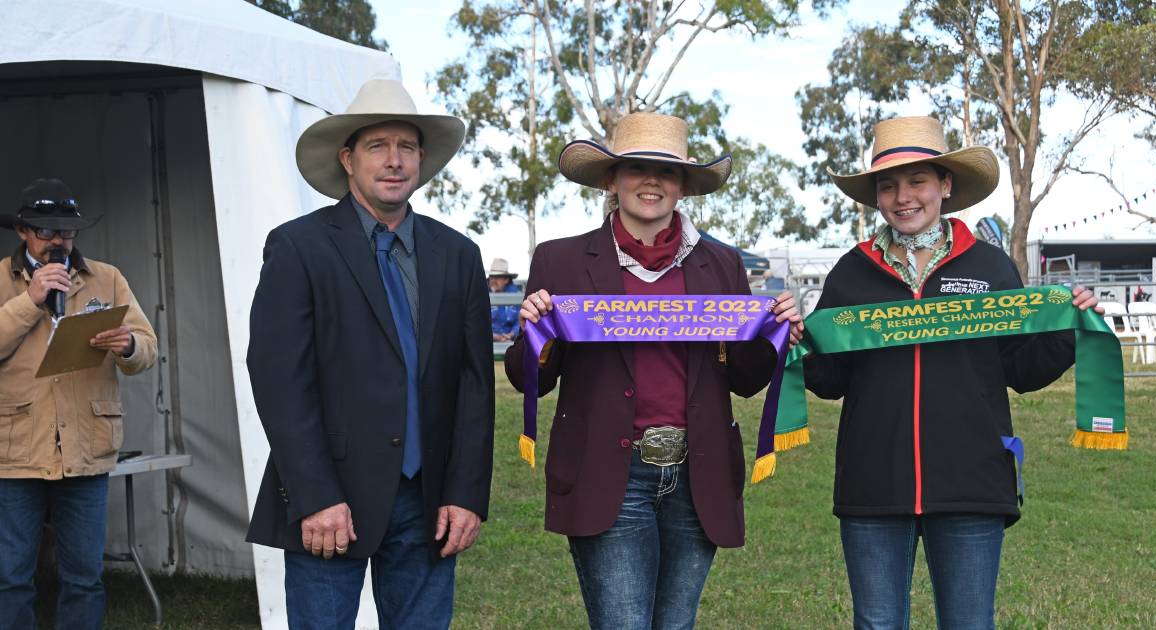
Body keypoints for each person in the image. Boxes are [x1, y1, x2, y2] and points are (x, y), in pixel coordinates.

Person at [504, 112, 802, 629]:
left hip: (697, 474)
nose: (651, 182)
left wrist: (774, 334)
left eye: (665, 172)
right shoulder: (563, 260)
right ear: (612, 180)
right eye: (636, 168)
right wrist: (537, 335)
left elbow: (746, 380)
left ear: (683, 185)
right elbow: (529, 377)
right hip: (609, 472)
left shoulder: (722, 264)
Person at [802, 116, 1103, 629]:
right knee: (876, 623)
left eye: (917, 181)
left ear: (945, 185)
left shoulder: (990, 267)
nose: (903, 197)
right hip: (873, 485)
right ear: (876, 195)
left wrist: (1067, 329)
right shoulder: (851, 272)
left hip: (972, 482)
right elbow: (830, 380)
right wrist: (801, 343)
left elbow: (1021, 369)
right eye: (889, 185)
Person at [245, 79, 494, 630]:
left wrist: (466, 493)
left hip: (428, 501)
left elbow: (475, 385)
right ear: (348, 158)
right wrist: (314, 496)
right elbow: (278, 379)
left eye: (406, 146)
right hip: (332, 499)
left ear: (421, 160)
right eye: (378, 146)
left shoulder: (457, 254)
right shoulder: (298, 247)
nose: (394, 160)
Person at [0, 178, 158, 630]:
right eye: (47, 231)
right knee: (10, 578)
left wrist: (128, 345)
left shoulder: (106, 278)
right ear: (22, 232)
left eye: (66, 232)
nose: (58, 241)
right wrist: (30, 301)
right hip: (14, 453)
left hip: (85, 450)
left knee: (84, 578)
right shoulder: (1, 279)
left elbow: (148, 348)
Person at [487, 258, 521, 341]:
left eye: (498, 277)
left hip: (511, 340)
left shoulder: (516, 296)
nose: (493, 280)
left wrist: (511, 334)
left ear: (506, 280)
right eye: (492, 276)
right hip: (487, 340)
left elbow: (519, 320)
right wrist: (492, 336)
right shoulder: (481, 293)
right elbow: (478, 321)